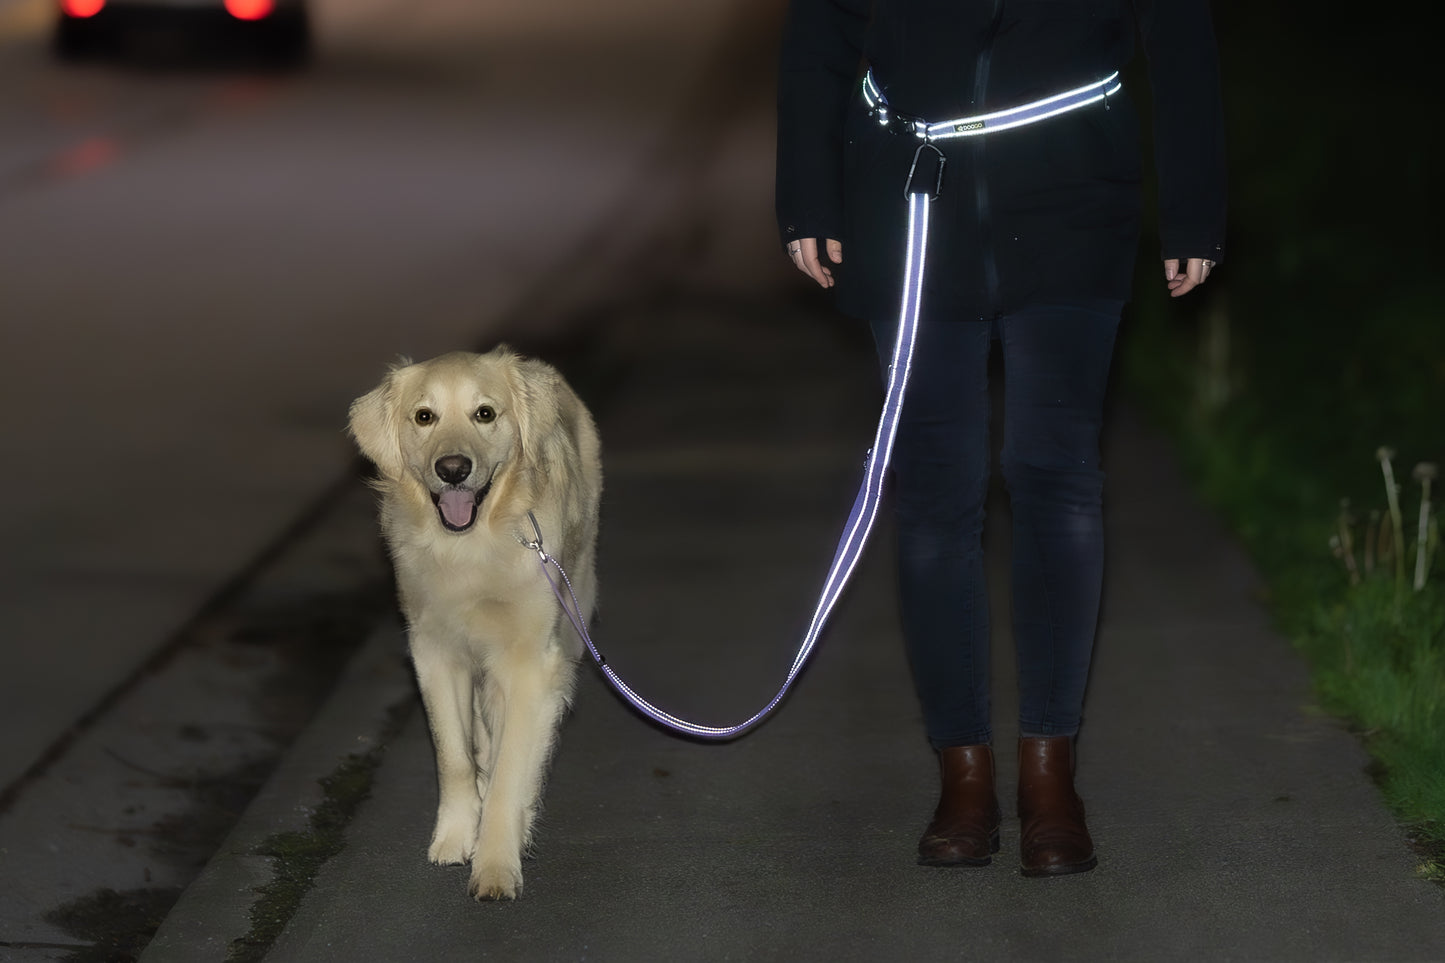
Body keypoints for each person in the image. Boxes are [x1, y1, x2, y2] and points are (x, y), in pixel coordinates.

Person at [775, 0, 1226, 876]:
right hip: (906, 201)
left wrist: (1194, 206)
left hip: (1070, 201)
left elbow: (1176, 29)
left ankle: (1050, 773)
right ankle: (963, 775)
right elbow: (820, 26)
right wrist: (806, 194)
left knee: (1054, 477)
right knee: (937, 494)